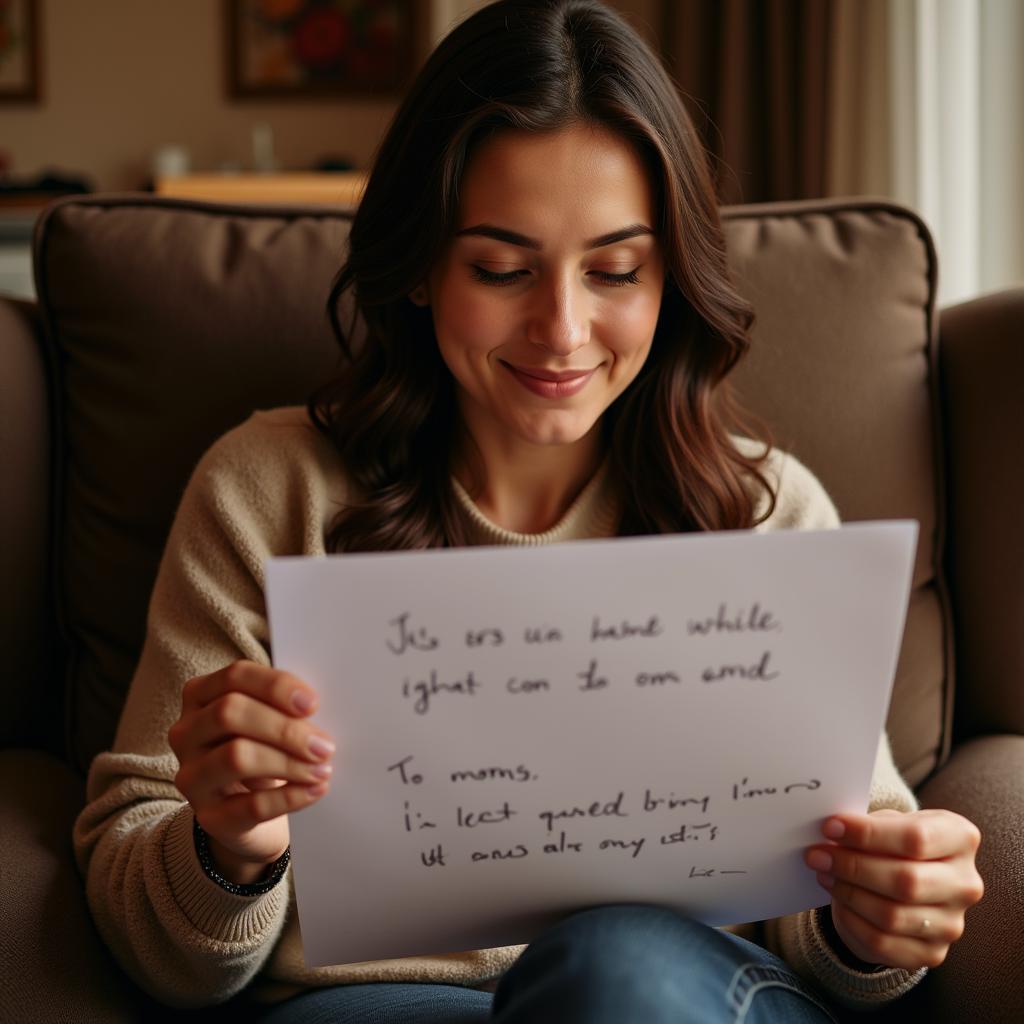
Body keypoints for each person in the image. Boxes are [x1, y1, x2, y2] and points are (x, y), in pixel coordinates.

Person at [73, 1, 983, 1021]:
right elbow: (152, 937)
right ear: (419, 265)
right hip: (381, 1004)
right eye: (501, 269)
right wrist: (228, 849)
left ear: (672, 277)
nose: (561, 329)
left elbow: (857, 900)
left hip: (668, 993)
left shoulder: (763, 513)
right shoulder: (268, 490)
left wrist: (877, 916)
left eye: (616, 270)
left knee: (617, 971)